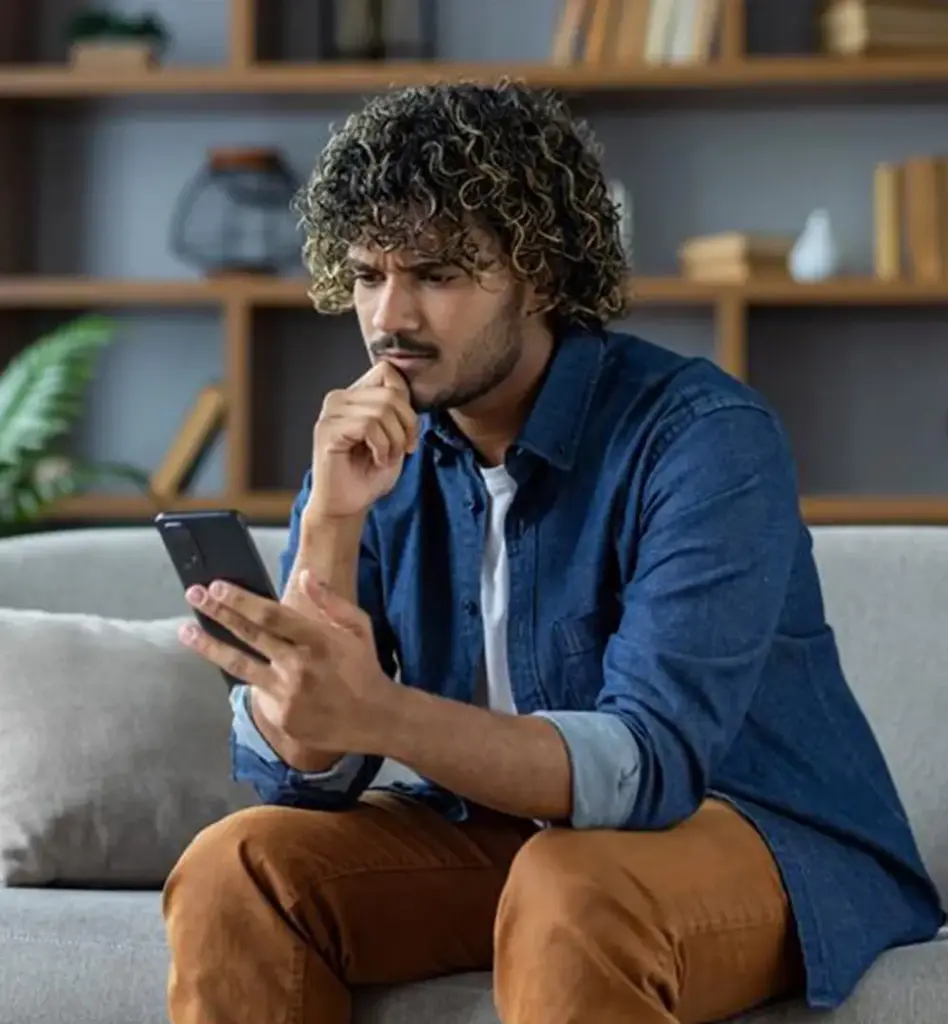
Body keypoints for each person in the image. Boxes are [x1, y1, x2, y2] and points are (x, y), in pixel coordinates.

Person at [161, 79, 943, 1024]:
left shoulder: (703, 436)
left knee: (572, 888)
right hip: (507, 837)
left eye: (437, 275)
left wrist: (384, 714)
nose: (389, 318)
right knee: (236, 869)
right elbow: (294, 773)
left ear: (541, 274)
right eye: (367, 274)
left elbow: (648, 764)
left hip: (750, 831)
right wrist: (330, 519)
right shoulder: (373, 445)